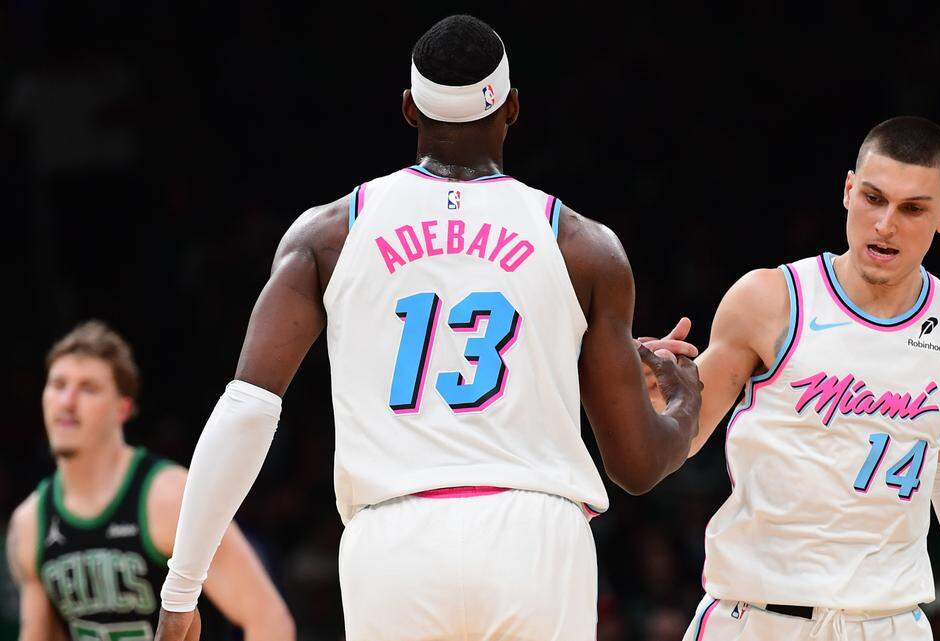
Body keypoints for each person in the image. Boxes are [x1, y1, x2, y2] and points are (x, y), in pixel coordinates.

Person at [154, 14, 701, 641]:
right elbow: (636, 466)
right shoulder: (584, 246)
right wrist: (684, 399)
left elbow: (247, 410)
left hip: (393, 540)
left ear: (410, 109)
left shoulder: (329, 234)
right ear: (512, 108)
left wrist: (182, 589)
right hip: (535, 538)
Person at [644, 117, 940, 640]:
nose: (885, 224)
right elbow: (679, 438)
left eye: (912, 209)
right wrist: (646, 401)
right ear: (848, 190)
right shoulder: (770, 300)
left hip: (889, 623)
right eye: (873, 198)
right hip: (756, 616)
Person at [5, 320, 294, 641]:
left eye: (88, 388)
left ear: (123, 408)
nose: (67, 401)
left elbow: (269, 621)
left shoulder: (167, 496)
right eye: (58, 385)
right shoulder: (31, 521)